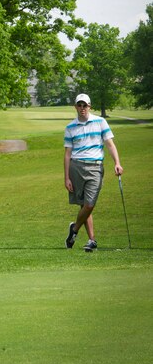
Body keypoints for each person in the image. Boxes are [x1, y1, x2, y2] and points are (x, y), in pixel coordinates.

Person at [64, 93, 123, 251]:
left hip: (95, 167)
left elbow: (110, 144)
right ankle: (92, 240)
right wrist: (67, 177)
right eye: (79, 105)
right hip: (76, 167)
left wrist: (117, 163)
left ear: (89, 106)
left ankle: (74, 229)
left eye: (85, 105)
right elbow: (67, 154)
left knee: (89, 204)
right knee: (83, 205)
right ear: (76, 107)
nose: (82, 108)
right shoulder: (70, 127)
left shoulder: (100, 122)